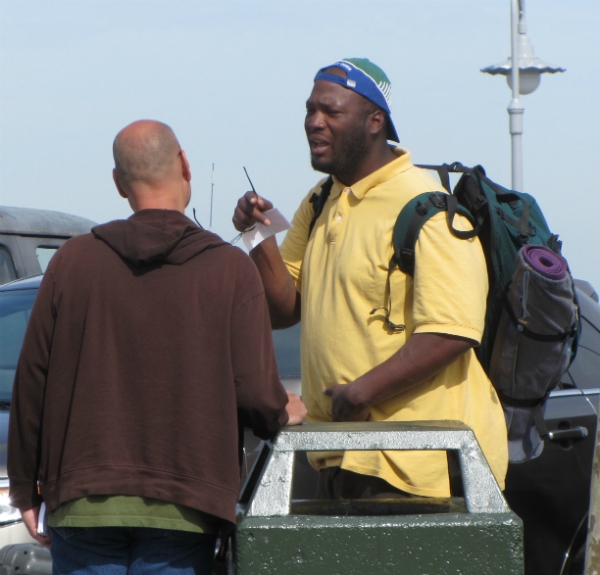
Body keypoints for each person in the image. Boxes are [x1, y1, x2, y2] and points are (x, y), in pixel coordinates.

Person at [8, 119, 307, 574]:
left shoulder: (72, 262)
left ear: (118, 183)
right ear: (184, 164)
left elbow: (33, 382)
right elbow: (253, 394)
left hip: (83, 499)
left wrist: (26, 485)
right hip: (185, 505)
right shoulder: (228, 268)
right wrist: (283, 410)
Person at [233, 58, 508, 500]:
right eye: (309, 110)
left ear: (375, 121)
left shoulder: (425, 206)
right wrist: (257, 234)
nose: (313, 123)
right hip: (341, 452)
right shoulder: (322, 199)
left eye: (331, 112)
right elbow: (283, 310)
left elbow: (452, 331)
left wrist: (361, 393)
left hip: (414, 464)